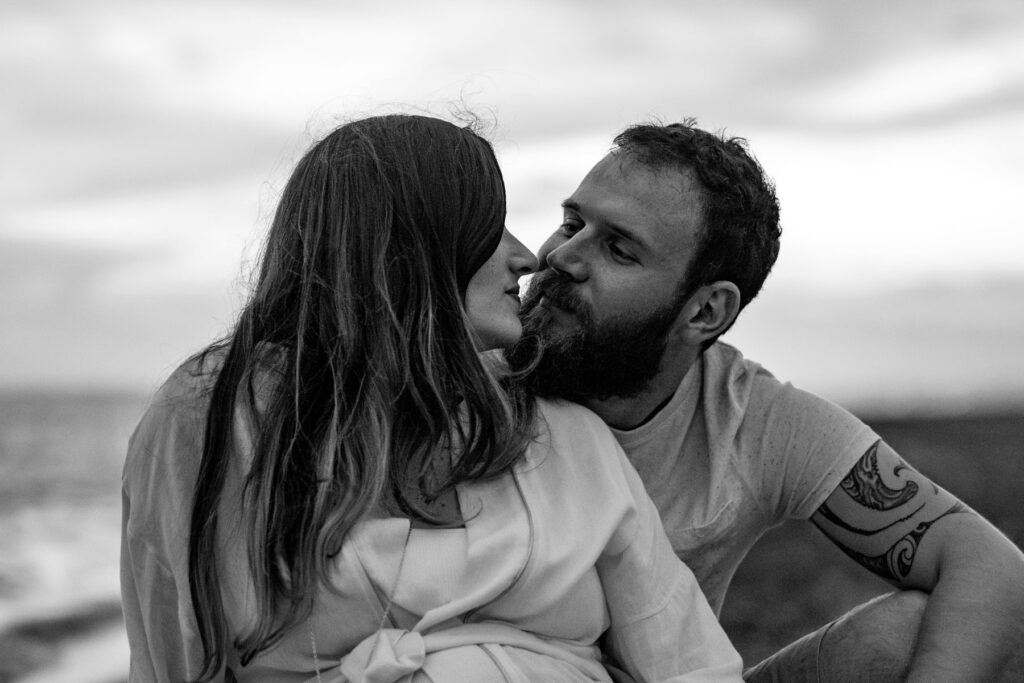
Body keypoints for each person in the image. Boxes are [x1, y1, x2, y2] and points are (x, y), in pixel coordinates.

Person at [120, 114, 744, 682]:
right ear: (410, 244)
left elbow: (690, 663)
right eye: (488, 228)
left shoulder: (563, 437)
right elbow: (169, 655)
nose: (530, 258)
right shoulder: (217, 417)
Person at [507, 120, 1024, 681]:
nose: (560, 258)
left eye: (619, 249)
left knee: (912, 634)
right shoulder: (460, 375)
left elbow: (990, 567)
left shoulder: (751, 418)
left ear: (705, 312)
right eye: (571, 223)